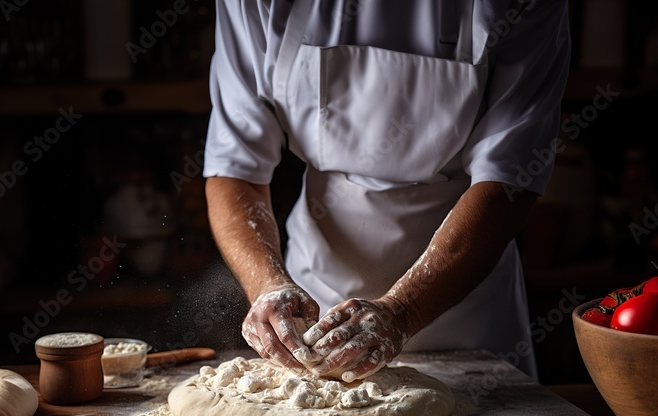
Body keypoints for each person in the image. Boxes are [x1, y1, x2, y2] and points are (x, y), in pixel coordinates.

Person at [203, 0, 571, 382]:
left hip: (465, 309)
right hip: (316, 310)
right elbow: (234, 168)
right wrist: (268, 284)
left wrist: (404, 311)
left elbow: (508, 181)